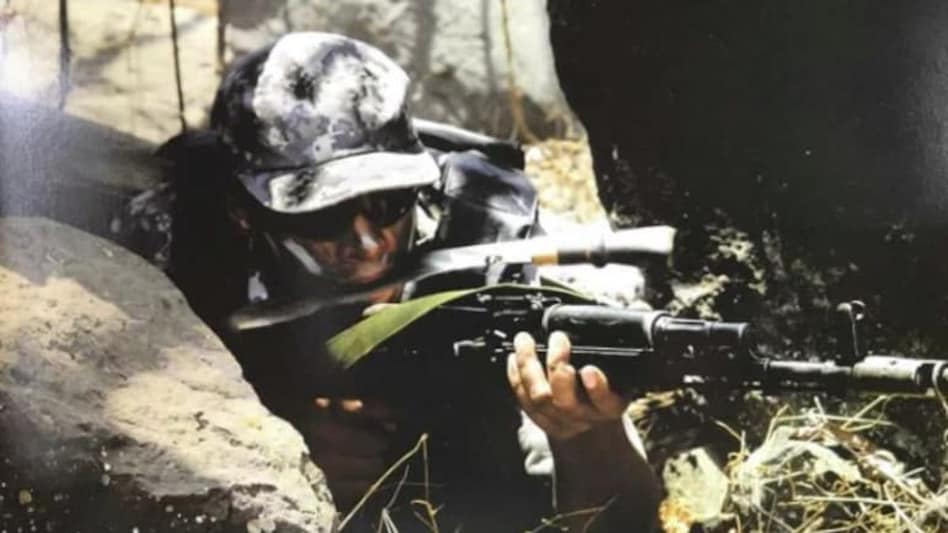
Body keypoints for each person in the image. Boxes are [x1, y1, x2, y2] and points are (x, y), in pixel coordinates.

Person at [158, 32, 661, 531]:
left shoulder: (494, 249)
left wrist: (586, 432)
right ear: (244, 212)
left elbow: (625, 518)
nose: (370, 243)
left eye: (388, 201)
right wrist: (268, 439)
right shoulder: (187, 245)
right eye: (322, 216)